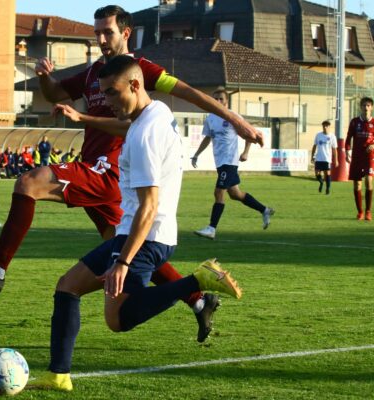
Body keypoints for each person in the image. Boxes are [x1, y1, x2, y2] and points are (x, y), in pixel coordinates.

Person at [0, 5, 261, 342]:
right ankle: (198, 299)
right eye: (97, 32)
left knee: (29, 182)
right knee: (130, 245)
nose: (101, 39)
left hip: (109, 171)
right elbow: (56, 93)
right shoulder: (93, 74)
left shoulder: (141, 70)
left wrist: (238, 122)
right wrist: (44, 76)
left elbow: (192, 94)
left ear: (126, 33)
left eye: (108, 32)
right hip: (100, 173)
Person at [31, 56, 242, 392]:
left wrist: (123, 261)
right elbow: (127, 127)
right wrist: (86, 117)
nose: (108, 103)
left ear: (135, 85)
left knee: (117, 319)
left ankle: (196, 281)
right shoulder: (157, 111)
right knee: (67, 286)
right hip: (143, 232)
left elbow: (149, 205)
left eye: (113, 94)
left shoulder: (144, 136)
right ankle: (58, 376)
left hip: (144, 237)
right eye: (103, 95)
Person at [191, 88, 274, 240]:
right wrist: (196, 154)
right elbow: (207, 138)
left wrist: (246, 152)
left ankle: (211, 228)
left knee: (218, 192)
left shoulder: (233, 117)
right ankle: (265, 210)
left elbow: (250, 134)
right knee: (236, 194)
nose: (217, 102)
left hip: (229, 162)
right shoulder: (210, 119)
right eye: (215, 99)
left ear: (226, 101)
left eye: (220, 99)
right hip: (220, 163)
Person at [345, 97, 374, 220]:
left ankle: (368, 211)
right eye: (364, 105)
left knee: (368, 181)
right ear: (360, 107)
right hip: (357, 157)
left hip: (369, 157)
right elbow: (348, 138)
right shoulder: (354, 122)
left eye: (368, 105)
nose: (366, 108)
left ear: (371, 107)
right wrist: (347, 151)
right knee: (357, 185)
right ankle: (360, 212)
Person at [311, 120, 337, 195]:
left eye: (326, 126)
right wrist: (312, 156)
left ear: (329, 127)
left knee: (327, 174)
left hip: (327, 159)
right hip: (318, 158)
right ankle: (321, 183)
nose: (325, 127)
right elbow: (314, 146)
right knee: (317, 173)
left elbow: (334, 149)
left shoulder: (332, 136)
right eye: (324, 126)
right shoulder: (318, 135)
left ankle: (328, 189)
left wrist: (336, 160)